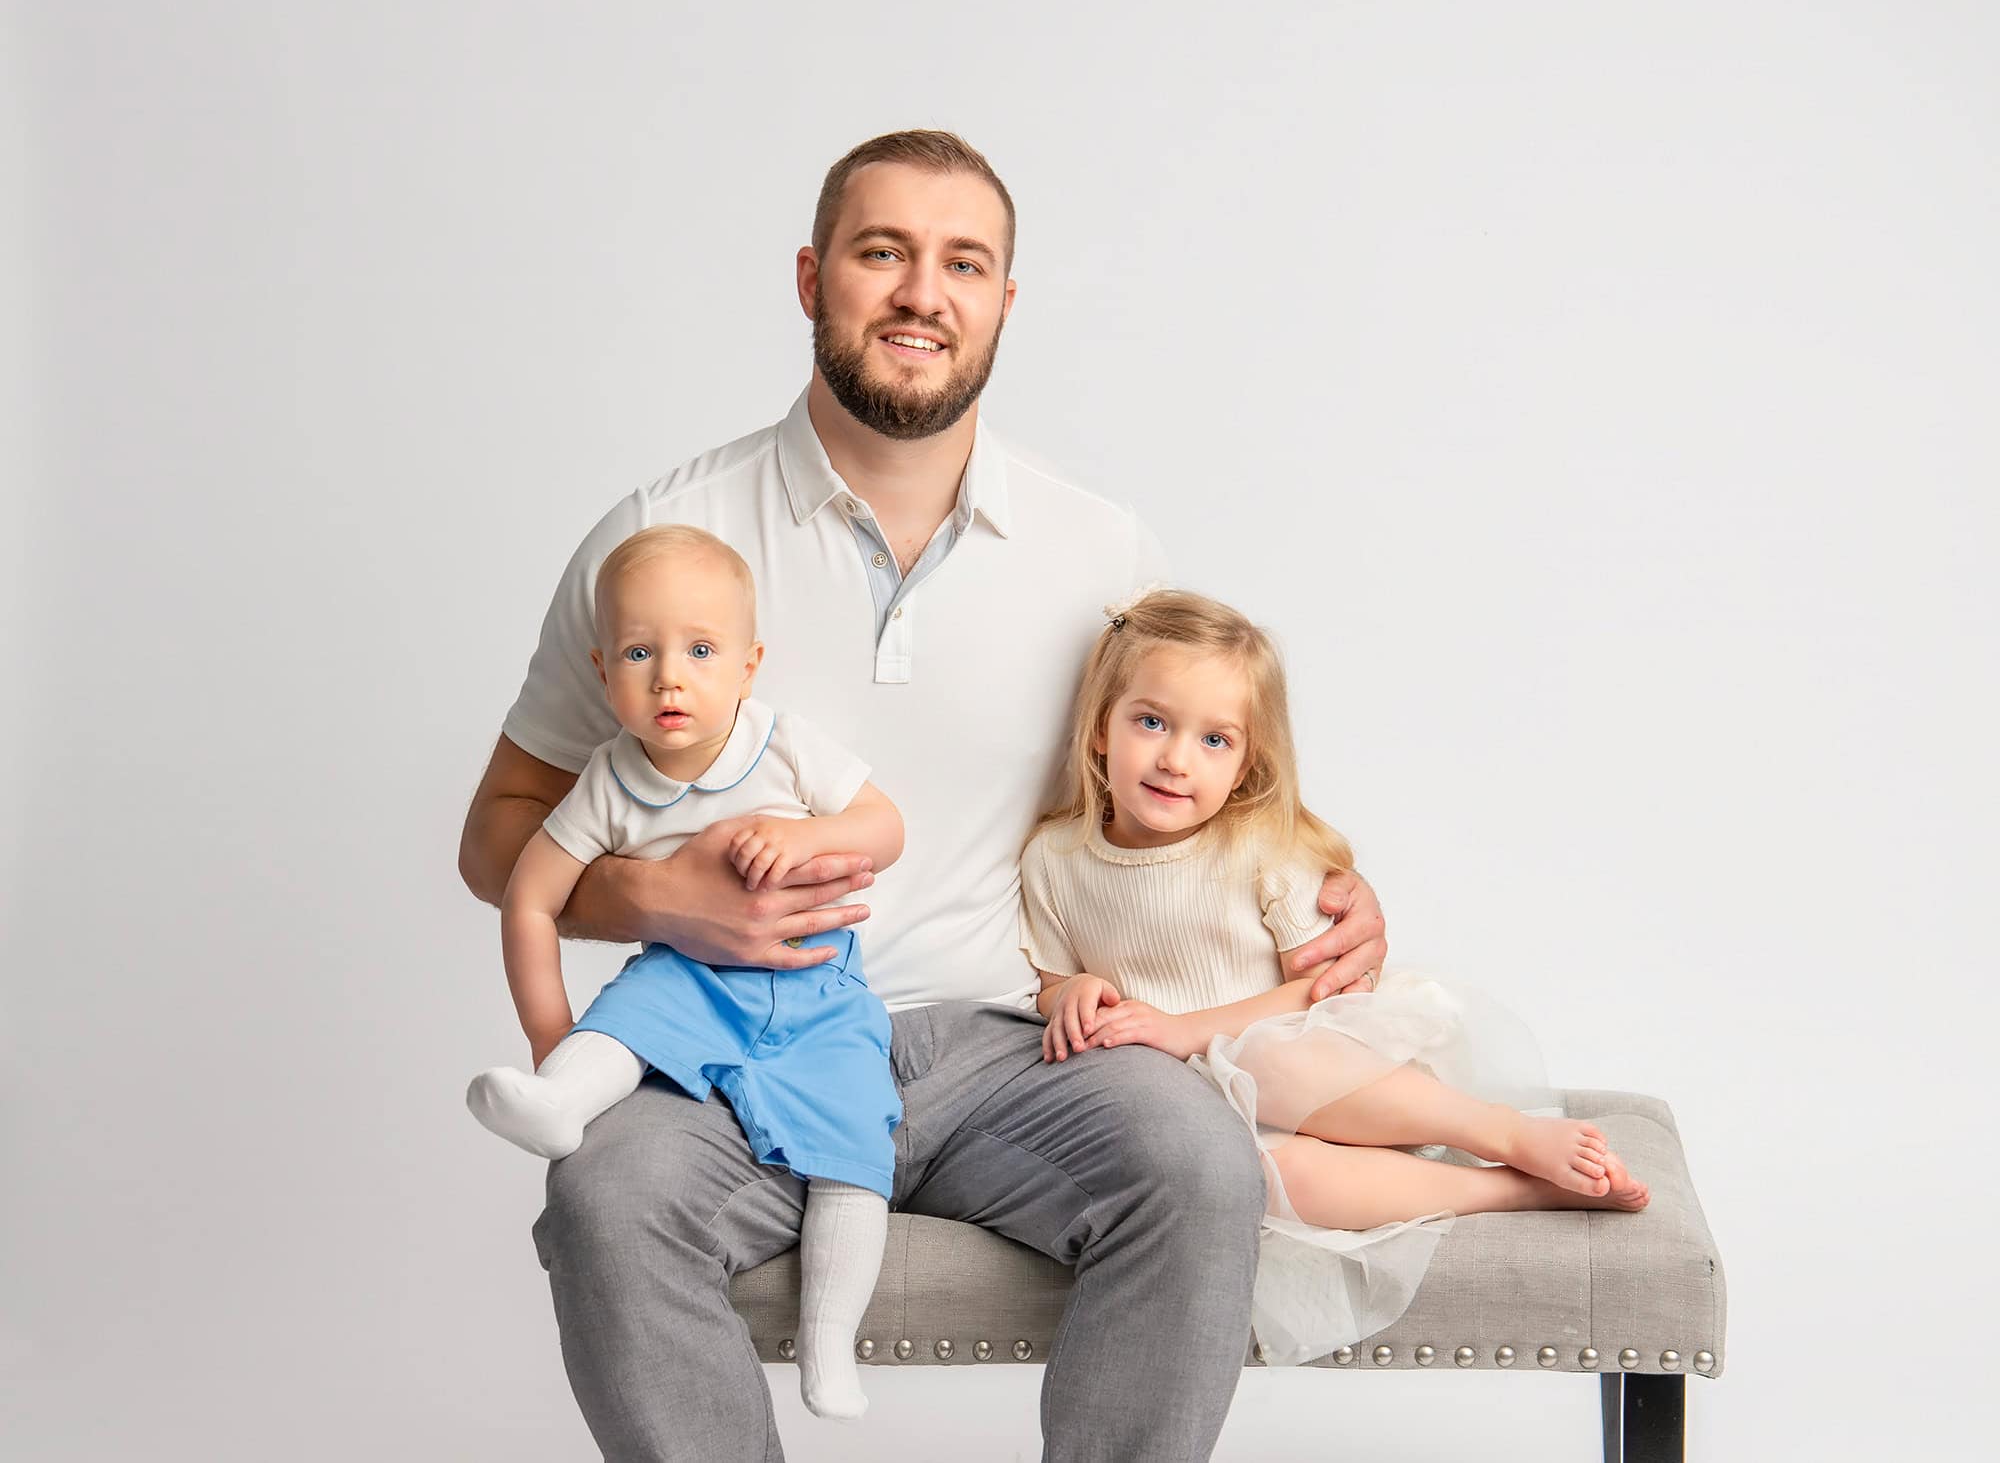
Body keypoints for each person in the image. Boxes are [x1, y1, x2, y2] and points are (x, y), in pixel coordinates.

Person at [457, 129, 1388, 1461]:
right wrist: (656, 895)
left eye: (964, 262)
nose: (920, 292)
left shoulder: (1101, 548)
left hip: (1019, 1047)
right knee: (606, 1194)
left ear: (1007, 300)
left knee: (1196, 1165)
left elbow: (1205, 780)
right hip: (731, 1048)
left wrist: (1338, 893)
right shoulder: (661, 537)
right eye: (881, 251)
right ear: (811, 276)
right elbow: (499, 830)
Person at [1020, 587, 1649, 1365]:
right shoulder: (1057, 857)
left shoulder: (1258, 848)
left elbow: (1323, 994)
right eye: (1151, 721)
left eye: (1215, 740)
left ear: (1247, 761)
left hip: (1332, 1078)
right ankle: (1516, 1189)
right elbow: (1050, 979)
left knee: (1270, 1053)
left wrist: (1184, 1029)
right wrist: (1072, 991)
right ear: (1100, 729)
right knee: (1262, 1179)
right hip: (1212, 1115)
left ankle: (1504, 1132)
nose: (1177, 758)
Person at [465, 523, 905, 1420]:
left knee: (857, 1150)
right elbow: (528, 898)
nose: (671, 676)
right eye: (640, 651)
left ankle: (829, 1344)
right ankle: (558, 1101)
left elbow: (884, 827)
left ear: (748, 664)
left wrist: (806, 834)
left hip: (819, 987)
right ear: (602, 670)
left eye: (701, 650)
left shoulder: (783, 746)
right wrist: (554, 1036)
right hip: (693, 976)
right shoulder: (610, 780)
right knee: (630, 1013)